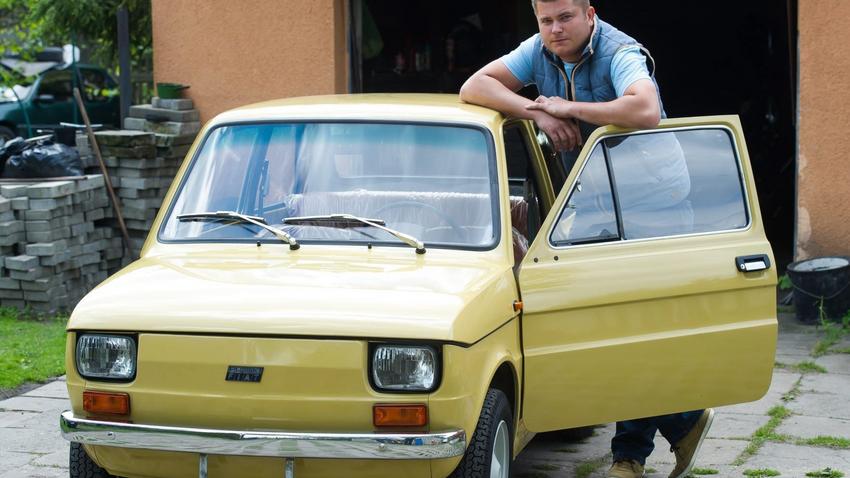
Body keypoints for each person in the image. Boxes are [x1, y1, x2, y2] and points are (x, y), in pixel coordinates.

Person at [459, 1, 714, 477]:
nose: (554, 30)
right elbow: (474, 86)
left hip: (655, 204)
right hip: (600, 202)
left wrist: (568, 107)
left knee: (631, 328)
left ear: (590, 14)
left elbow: (646, 108)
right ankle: (682, 422)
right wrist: (537, 111)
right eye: (545, 20)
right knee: (601, 328)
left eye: (565, 18)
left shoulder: (620, 51)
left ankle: (628, 458)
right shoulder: (539, 51)